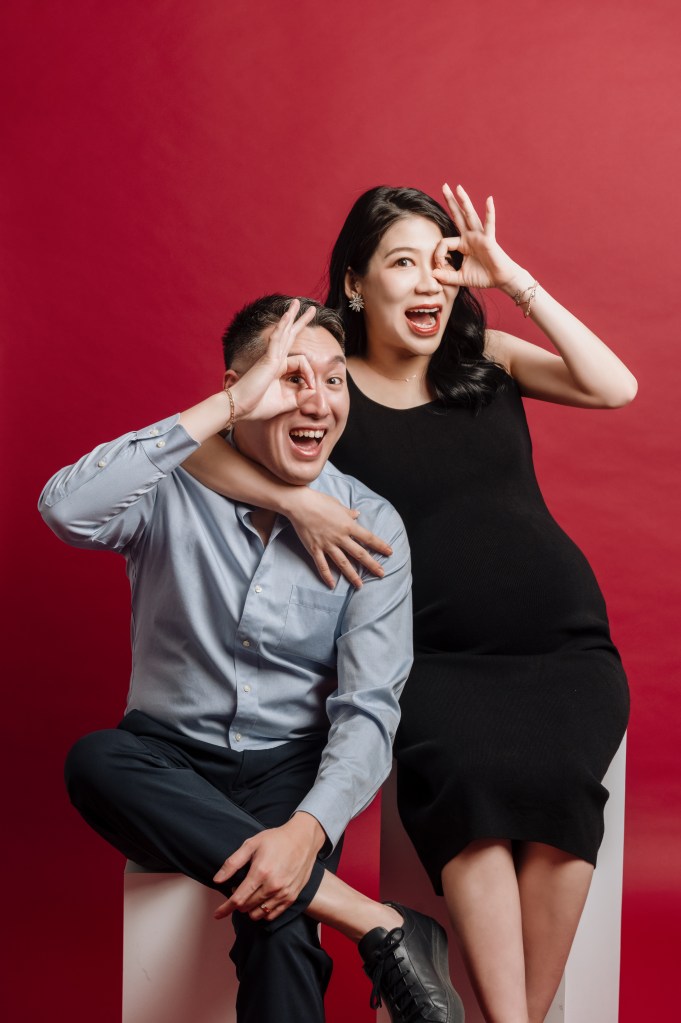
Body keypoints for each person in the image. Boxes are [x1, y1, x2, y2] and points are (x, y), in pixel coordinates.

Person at [183, 185, 637, 1023]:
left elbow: (615, 387)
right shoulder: (328, 385)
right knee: (465, 788)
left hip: (562, 643)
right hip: (427, 657)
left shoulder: (485, 359)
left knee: (563, 795)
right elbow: (194, 452)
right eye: (403, 261)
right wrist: (297, 502)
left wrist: (512, 278)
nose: (431, 281)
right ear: (355, 282)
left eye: (444, 262)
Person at [38, 295, 466, 1023]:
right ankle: (373, 920)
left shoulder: (371, 523)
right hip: (166, 758)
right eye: (289, 377)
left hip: (286, 769)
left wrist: (306, 831)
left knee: (279, 922)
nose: (318, 401)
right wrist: (232, 412)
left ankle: (324, 898)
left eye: (333, 380)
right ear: (241, 388)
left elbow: (368, 707)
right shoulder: (167, 488)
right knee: (94, 760)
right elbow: (65, 508)